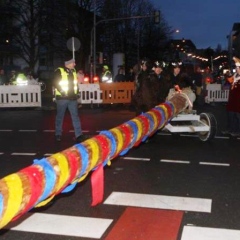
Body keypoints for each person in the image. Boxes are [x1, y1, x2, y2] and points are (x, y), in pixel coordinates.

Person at [53, 58, 86, 143]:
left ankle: (78, 135)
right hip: (62, 98)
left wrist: (77, 92)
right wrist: (62, 92)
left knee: (75, 116)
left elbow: (75, 83)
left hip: (72, 98)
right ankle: (58, 134)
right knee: (60, 116)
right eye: (73, 63)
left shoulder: (73, 71)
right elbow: (55, 83)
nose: (74, 64)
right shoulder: (59, 71)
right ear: (68, 63)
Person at [222, 57, 240, 137]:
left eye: (238, 68)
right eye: (236, 68)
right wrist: (227, 75)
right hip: (232, 99)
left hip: (238, 100)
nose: (237, 69)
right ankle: (229, 129)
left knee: (238, 117)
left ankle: (238, 131)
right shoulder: (235, 76)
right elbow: (228, 82)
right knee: (230, 115)